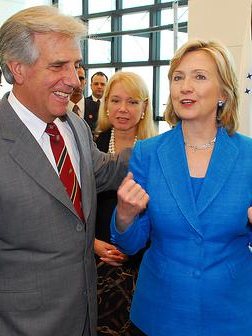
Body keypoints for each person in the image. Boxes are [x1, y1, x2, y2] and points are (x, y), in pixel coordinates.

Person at [0, 6, 130, 336]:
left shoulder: (74, 126)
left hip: (82, 318)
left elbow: (106, 171)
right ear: (17, 69)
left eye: (76, 65)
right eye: (58, 66)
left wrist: (179, 141)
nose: (73, 80)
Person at [111, 39, 252, 336]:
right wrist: (125, 216)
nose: (185, 86)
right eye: (178, 77)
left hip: (236, 312)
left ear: (223, 93)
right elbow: (130, 245)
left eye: (200, 77)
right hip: (162, 311)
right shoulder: (147, 153)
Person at [93, 71, 156, 335]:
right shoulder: (89, 144)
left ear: (144, 107)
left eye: (132, 102)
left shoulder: (156, 150)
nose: (122, 109)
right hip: (94, 258)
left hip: (142, 260)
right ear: (106, 104)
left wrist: (132, 247)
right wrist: (92, 244)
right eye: (115, 100)